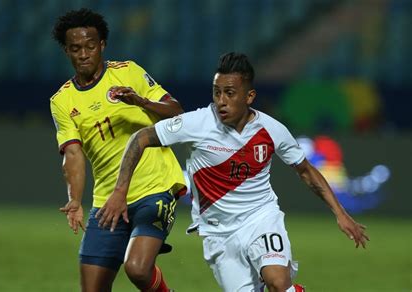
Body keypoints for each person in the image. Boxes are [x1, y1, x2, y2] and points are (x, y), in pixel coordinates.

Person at [99, 52, 370, 292]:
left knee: (277, 280)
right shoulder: (197, 123)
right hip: (218, 233)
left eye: (230, 93)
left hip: (261, 218)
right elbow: (140, 138)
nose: (221, 101)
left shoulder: (271, 130)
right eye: (216, 92)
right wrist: (120, 191)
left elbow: (306, 171)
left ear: (249, 96)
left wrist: (340, 214)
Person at [50, 8, 186, 292]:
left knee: (137, 268)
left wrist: (141, 102)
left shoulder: (129, 73)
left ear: (102, 45)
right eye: (76, 48)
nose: (84, 54)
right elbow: (72, 155)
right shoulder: (62, 101)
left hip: (154, 187)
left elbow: (177, 113)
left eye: (90, 46)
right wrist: (74, 199)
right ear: (67, 51)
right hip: (108, 200)